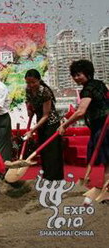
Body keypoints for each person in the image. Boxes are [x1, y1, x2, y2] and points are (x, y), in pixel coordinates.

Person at [59, 60, 108, 188]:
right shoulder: (99, 84)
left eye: (79, 74)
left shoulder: (88, 89)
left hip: (103, 125)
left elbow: (81, 112)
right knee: (107, 159)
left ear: (87, 73)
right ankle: (105, 187)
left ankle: (106, 190)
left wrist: (64, 125)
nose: (76, 78)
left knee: (106, 157)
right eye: (74, 75)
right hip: (102, 123)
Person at [24, 69, 64, 180]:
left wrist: (32, 130)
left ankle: (55, 178)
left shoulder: (45, 91)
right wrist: (29, 109)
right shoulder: (28, 89)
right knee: (44, 151)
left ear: (39, 80)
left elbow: (46, 115)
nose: (31, 85)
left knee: (52, 151)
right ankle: (47, 176)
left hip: (51, 123)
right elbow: (28, 101)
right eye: (28, 82)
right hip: (40, 121)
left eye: (33, 82)